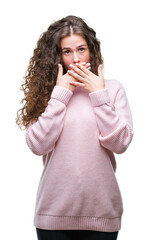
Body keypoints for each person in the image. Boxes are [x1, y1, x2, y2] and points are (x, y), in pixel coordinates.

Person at [16, 15, 133, 240]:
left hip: (102, 215)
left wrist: (98, 94)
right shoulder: (48, 92)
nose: (76, 59)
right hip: (53, 216)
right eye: (67, 52)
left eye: (82, 49)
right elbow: (38, 145)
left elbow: (121, 143)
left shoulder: (113, 88)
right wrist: (60, 94)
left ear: (92, 50)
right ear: (57, 56)